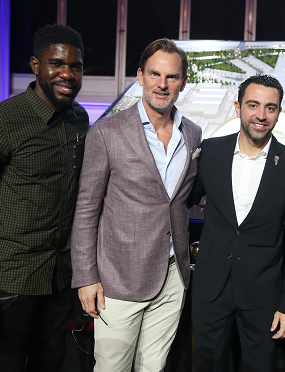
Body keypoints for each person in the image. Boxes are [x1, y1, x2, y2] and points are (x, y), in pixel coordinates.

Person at [0, 24, 87, 371]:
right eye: (56, 63)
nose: (67, 74)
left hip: (60, 279)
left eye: (76, 66)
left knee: (53, 363)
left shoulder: (79, 118)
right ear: (35, 65)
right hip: (12, 280)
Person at [70, 38, 201, 372]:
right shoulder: (107, 133)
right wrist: (86, 277)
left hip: (173, 276)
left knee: (154, 367)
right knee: (112, 367)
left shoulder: (193, 134)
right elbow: (86, 209)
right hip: (118, 279)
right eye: (155, 74)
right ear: (140, 75)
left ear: (183, 83)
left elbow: (182, 197)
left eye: (172, 77)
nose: (162, 84)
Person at [189, 74, 285, 371]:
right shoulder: (211, 152)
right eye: (253, 105)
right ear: (238, 106)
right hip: (210, 287)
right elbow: (184, 198)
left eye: (270, 108)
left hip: (263, 292)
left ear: (279, 112)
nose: (261, 115)